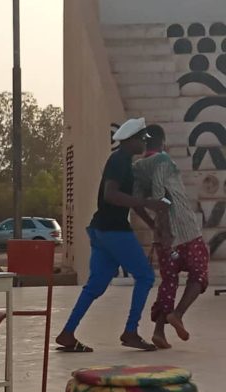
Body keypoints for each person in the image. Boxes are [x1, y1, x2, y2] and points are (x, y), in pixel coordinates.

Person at [55, 118, 168, 353]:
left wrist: (150, 223)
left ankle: (67, 333)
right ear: (131, 140)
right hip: (114, 231)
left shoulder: (124, 162)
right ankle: (131, 331)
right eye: (142, 139)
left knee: (95, 286)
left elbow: (131, 201)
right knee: (145, 277)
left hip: (101, 230)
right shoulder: (119, 161)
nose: (145, 144)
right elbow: (111, 195)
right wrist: (150, 203)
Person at [133, 124, 209, 349]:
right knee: (199, 272)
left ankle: (159, 332)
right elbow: (160, 195)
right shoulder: (164, 160)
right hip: (185, 230)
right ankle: (178, 314)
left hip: (163, 236)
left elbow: (137, 202)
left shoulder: (137, 167)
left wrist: (154, 225)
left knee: (169, 281)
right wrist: (167, 228)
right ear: (163, 142)